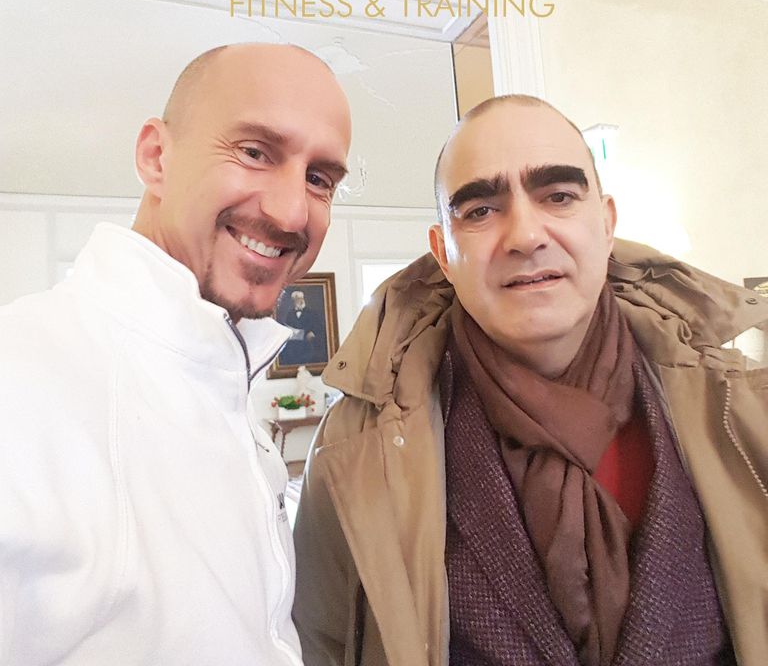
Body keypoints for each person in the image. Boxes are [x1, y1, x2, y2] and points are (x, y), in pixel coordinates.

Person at [293, 95, 768, 666]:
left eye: (558, 196)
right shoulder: (354, 449)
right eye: (480, 210)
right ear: (443, 254)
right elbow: (323, 644)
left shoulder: (743, 410)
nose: (525, 235)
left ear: (607, 224)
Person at [0, 43, 351, 665]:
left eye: (319, 179)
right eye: (254, 152)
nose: (292, 211)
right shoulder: (22, 381)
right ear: (156, 157)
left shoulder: (222, 376)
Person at [280, 289, 328, 365]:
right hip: (294, 346)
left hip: (308, 345)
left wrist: (313, 333)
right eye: (298, 299)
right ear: (293, 301)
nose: (301, 300)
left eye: (302, 298)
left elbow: (319, 327)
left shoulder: (312, 313)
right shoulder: (290, 314)